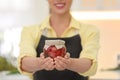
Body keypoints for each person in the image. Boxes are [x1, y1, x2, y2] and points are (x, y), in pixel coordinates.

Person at [17, 0, 100, 80]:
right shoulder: (30, 31)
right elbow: (24, 63)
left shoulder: (89, 31)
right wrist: (40, 63)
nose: (59, 0)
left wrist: (69, 63)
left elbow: (89, 64)